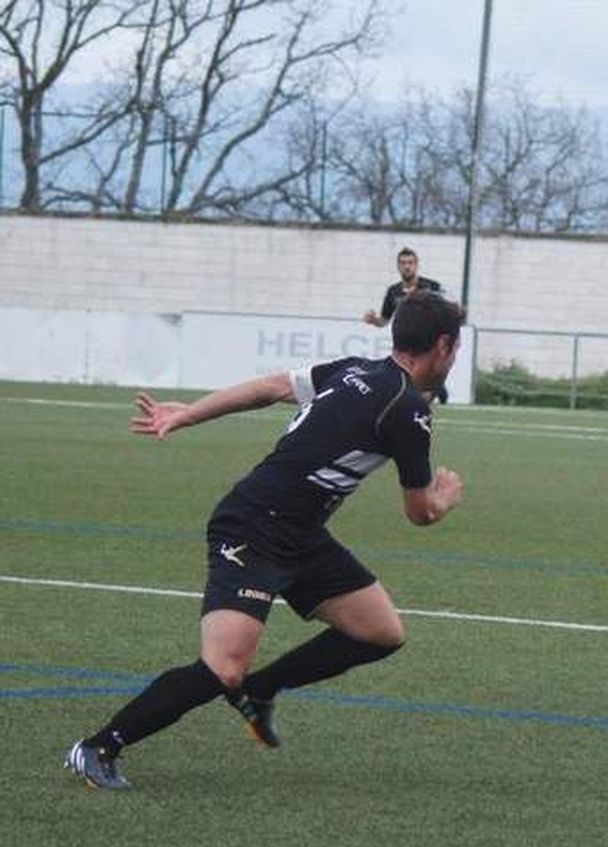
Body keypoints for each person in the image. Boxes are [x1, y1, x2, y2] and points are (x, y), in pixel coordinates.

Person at [64, 292, 467, 790]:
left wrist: (188, 414)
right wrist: (444, 499)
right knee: (223, 668)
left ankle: (263, 690)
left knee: (381, 631)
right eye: (458, 345)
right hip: (252, 528)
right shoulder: (407, 410)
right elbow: (420, 511)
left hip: (299, 533)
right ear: (444, 345)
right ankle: (98, 746)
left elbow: (271, 386)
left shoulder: (354, 369)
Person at [364, 247, 449, 402]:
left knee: (422, 386)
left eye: (410, 263)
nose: (407, 266)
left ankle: (434, 393)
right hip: (405, 345)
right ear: (398, 266)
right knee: (408, 380)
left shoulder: (431, 287)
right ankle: (434, 393)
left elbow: (444, 310)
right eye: (403, 263)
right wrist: (374, 320)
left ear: (416, 265)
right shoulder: (393, 291)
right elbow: (384, 320)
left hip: (428, 343)